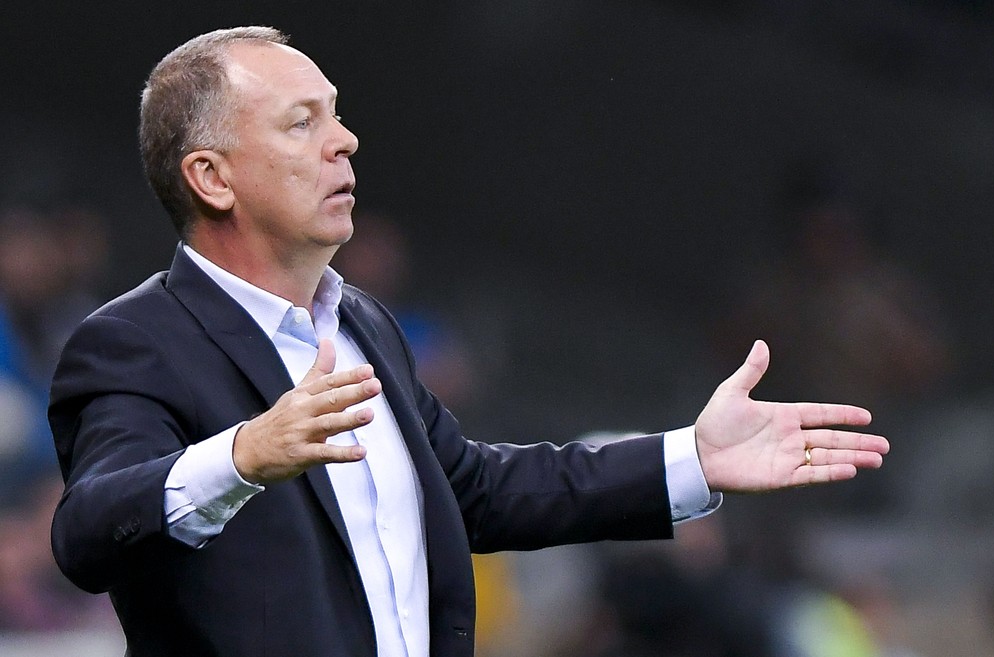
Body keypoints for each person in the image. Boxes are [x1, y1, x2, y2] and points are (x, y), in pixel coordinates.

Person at [48, 26, 889, 657]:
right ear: (212, 177)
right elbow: (88, 532)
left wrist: (690, 458)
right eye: (302, 123)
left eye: (336, 115)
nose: (345, 140)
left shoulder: (366, 324)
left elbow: (475, 492)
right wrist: (242, 456)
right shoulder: (132, 343)